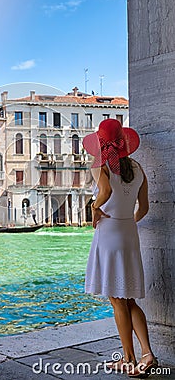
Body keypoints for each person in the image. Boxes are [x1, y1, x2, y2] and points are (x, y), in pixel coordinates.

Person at [83, 119, 158, 377]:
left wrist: (94, 208)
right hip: (128, 232)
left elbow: (103, 192)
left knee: (117, 299)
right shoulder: (137, 168)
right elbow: (144, 208)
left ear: (100, 142)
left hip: (110, 233)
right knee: (129, 299)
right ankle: (147, 354)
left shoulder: (100, 165)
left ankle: (128, 359)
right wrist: (128, 222)